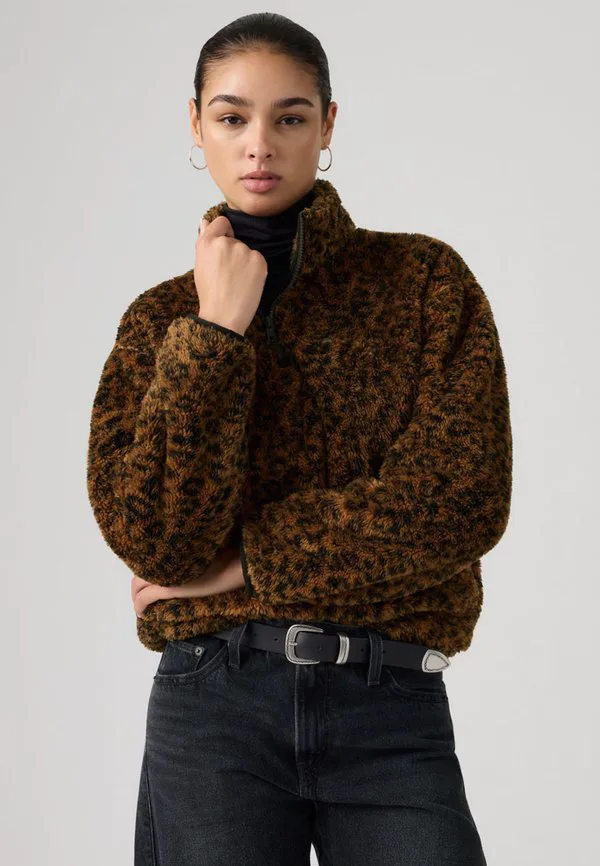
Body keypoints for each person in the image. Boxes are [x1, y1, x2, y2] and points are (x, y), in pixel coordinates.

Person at [86, 12, 512, 866]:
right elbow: (157, 543)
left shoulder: (425, 283)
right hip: (214, 711)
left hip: (390, 703)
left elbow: (458, 504)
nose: (260, 144)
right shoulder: (162, 321)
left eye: (289, 116)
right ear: (196, 126)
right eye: (231, 116)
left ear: (327, 125)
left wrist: (247, 565)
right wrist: (215, 332)